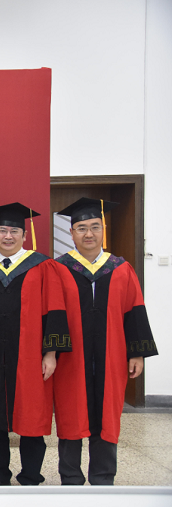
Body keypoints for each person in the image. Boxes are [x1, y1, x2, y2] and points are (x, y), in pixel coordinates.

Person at [53, 197, 157, 485]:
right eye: (82, 228)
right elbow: (52, 314)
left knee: (108, 414)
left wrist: (137, 353)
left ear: (103, 230)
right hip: (71, 358)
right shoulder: (59, 268)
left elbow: (135, 311)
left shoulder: (121, 268)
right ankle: (70, 477)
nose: (89, 234)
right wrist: (51, 352)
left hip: (112, 356)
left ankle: (102, 478)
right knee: (71, 413)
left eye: (95, 227)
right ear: (71, 233)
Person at [0, 203, 69, 495]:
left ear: (24, 235)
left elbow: (55, 310)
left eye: (14, 231)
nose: (8, 236)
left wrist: (51, 353)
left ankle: (31, 477)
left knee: (32, 416)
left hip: (30, 355)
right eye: (2, 230)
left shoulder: (42, 266)